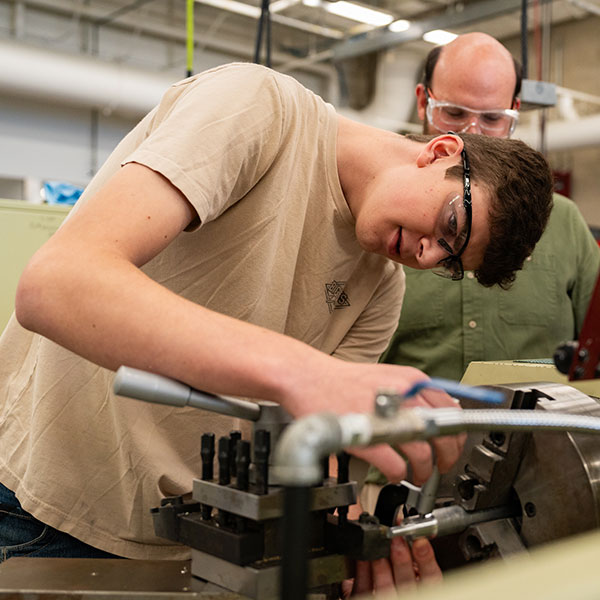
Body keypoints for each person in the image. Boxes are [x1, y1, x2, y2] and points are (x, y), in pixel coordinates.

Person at [0, 61, 552, 571]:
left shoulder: (379, 292)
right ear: (440, 151)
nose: (430, 254)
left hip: (187, 543)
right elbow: (57, 284)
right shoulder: (261, 109)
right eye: (450, 226)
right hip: (36, 512)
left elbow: (304, 454)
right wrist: (302, 372)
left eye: (451, 260)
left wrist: (359, 540)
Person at [381, 32, 600, 380]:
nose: (472, 135)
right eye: (453, 113)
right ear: (423, 102)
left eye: (492, 119)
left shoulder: (563, 221)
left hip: (537, 432)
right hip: (408, 429)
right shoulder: (382, 219)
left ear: (513, 112)